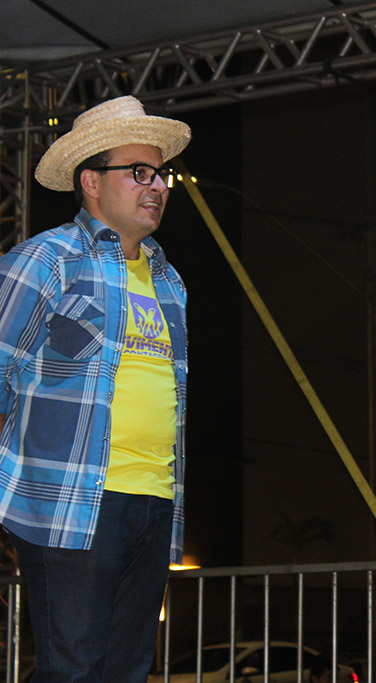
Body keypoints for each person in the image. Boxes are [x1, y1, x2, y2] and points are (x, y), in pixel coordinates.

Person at [0, 96, 190, 682]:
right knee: (74, 670)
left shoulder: (169, 280)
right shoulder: (46, 260)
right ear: (91, 181)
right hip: (72, 499)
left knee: (127, 669)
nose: (155, 186)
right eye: (139, 172)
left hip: (155, 499)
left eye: (160, 175)